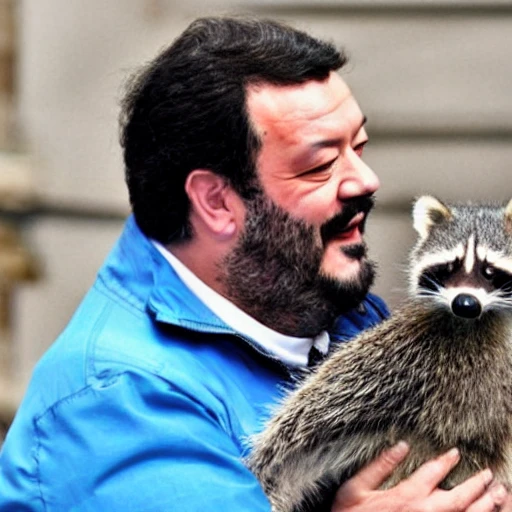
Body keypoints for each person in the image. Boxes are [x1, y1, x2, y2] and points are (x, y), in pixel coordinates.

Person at [0, 16, 509, 512]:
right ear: (216, 202)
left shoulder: (318, 298)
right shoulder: (118, 404)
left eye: (359, 146)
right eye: (319, 165)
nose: (365, 180)